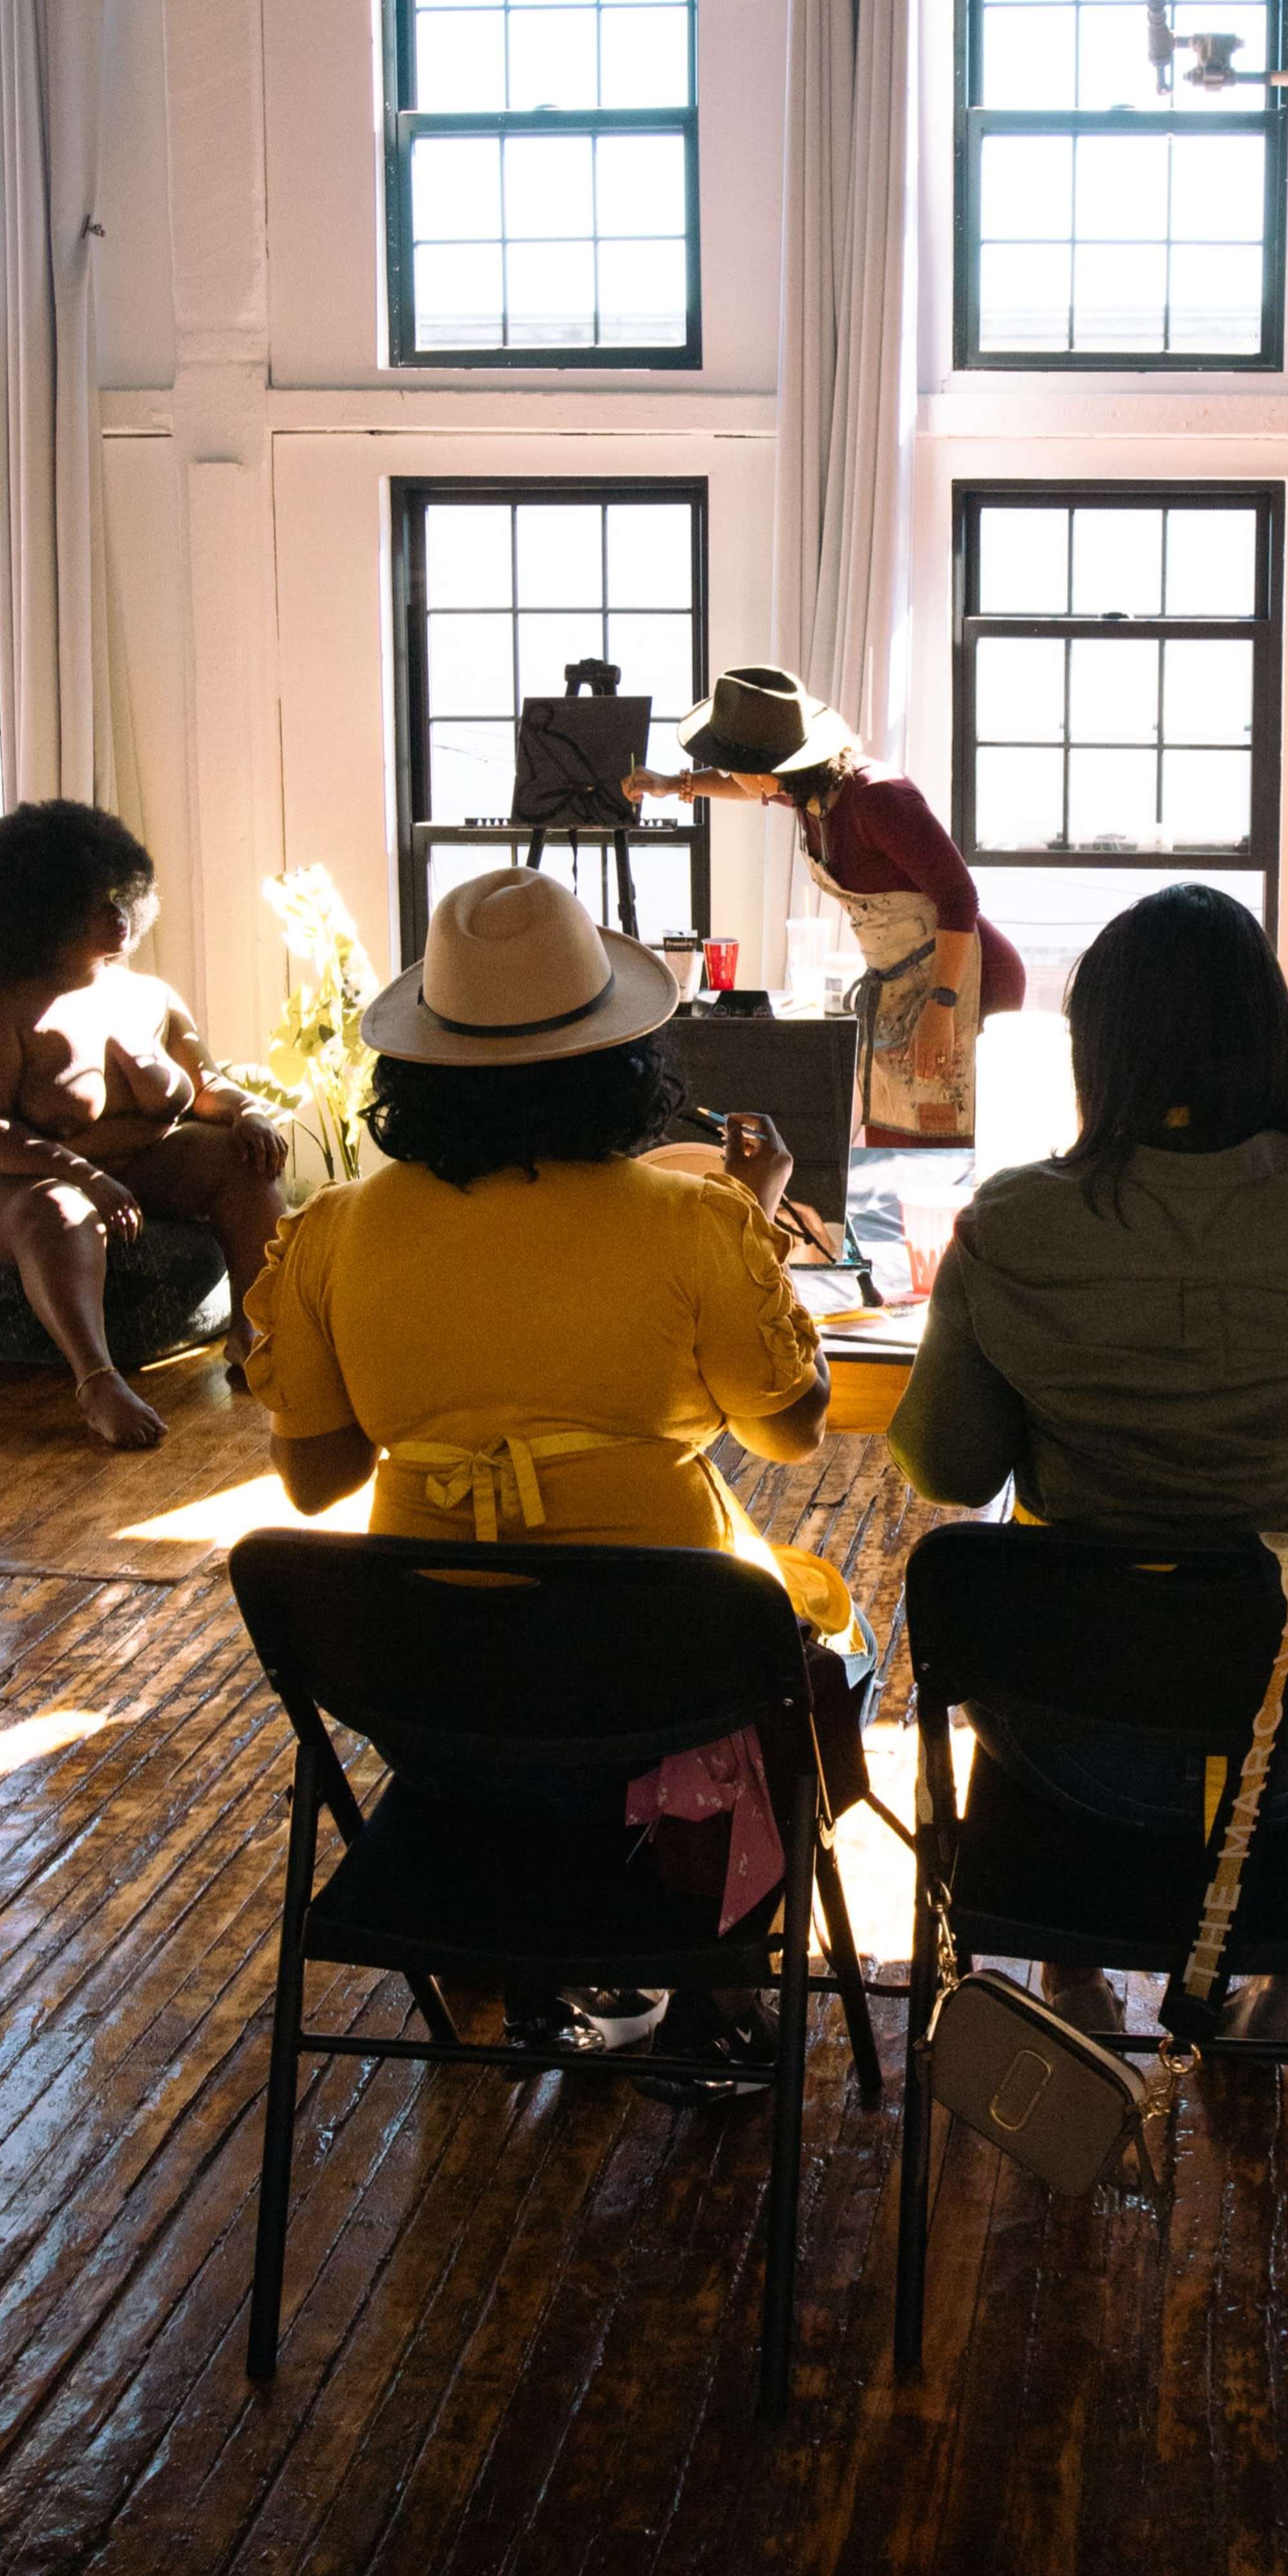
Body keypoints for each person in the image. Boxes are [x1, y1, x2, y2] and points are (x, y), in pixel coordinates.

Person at [244, 867, 866, 2089]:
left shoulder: (334, 1234)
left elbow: (315, 1481)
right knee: (813, 1658)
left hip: (435, 1705)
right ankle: (718, 1988)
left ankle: (528, 1968)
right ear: (624, 1061)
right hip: (663, 1698)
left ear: (416, 1066)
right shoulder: (693, 1225)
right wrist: (756, 1226)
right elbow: (791, 1430)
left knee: (523, 1668)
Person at [889, 880, 1288, 2040]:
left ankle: (1071, 1976)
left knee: (1044, 1583)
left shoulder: (1010, 1225)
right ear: (1272, 1039)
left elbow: (949, 1470)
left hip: (1067, 1736)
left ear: (1100, 1051)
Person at [0, 801, 289, 1450]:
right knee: (58, 1212)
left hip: (134, 1165)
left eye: (121, 897)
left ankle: (251, 1332)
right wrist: (82, 1176)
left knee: (245, 1163)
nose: (117, 916)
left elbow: (208, 1087)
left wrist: (249, 1112)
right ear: (41, 912)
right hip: (1, 1178)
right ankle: (97, 1381)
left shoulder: (151, 995)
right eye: (92, 905)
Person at [626, 665, 1020, 1148]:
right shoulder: (809, 793)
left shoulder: (878, 798)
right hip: (902, 982)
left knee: (940, 1147)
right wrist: (671, 784)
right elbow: (742, 788)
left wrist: (942, 1007)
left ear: (766, 771)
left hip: (967, 979)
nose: (728, 774)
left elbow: (959, 898)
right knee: (892, 1136)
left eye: (732, 764)